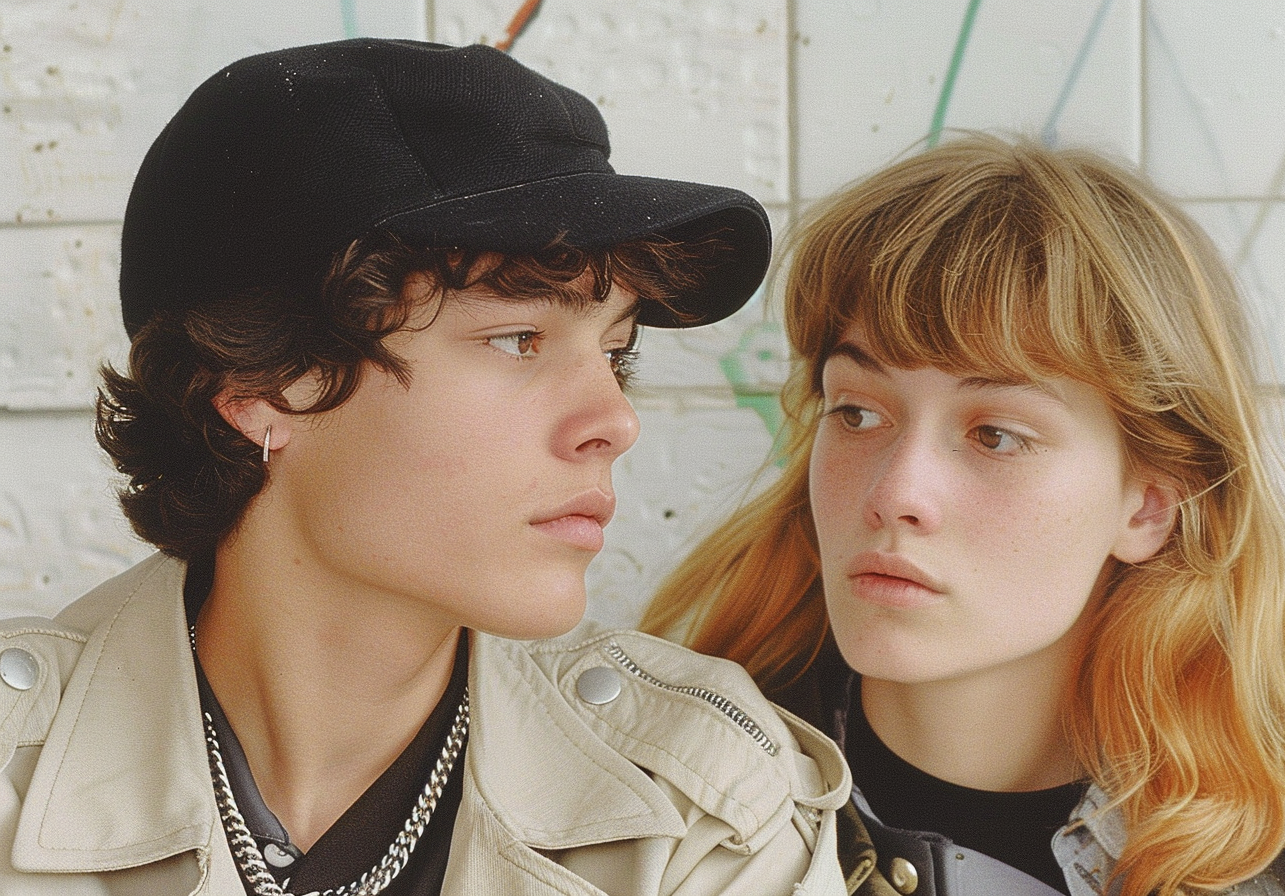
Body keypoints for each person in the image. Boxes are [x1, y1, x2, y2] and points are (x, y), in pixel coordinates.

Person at [0, 39, 850, 896]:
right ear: (261, 384)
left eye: (616, 352)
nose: (615, 423)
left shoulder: (701, 804)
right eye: (520, 339)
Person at [643, 133, 1285, 896]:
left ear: (1149, 505)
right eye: (858, 412)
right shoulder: (657, 810)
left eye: (996, 435)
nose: (897, 493)